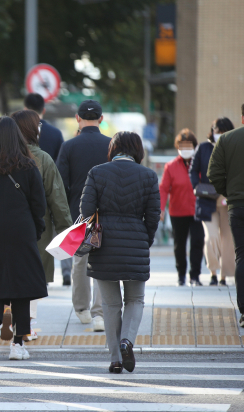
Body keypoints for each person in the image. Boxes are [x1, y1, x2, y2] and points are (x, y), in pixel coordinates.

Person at [80, 131, 160, 374]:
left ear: (113, 149)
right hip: (135, 241)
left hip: (103, 245)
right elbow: (154, 216)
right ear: (137, 150)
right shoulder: (148, 175)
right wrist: (144, 239)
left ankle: (115, 359)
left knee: (110, 303)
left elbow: (85, 210)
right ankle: (127, 341)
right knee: (135, 299)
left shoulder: (97, 172)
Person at [0, 117, 47, 360]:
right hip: (21, 230)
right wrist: (37, 230)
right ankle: (17, 345)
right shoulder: (28, 166)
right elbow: (39, 205)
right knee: (21, 286)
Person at [11, 110, 72, 339]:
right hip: (39, 228)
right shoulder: (42, 158)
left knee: (11, 273)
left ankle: (6, 312)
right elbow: (57, 198)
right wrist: (66, 229)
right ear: (31, 130)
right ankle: (26, 324)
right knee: (34, 276)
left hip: (4, 229)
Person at [56, 100, 109, 332]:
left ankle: (82, 309)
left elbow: (61, 184)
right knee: (102, 262)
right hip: (106, 212)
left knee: (80, 261)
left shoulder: (69, 147)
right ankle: (100, 312)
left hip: (78, 212)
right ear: (101, 119)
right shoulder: (111, 145)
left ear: (77, 119)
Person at [208, 97, 244, 329]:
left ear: (242, 117)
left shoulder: (227, 139)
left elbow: (214, 174)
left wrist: (230, 193)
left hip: (240, 206)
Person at [190, 118, 236, 286]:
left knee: (228, 239)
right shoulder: (203, 148)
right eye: (217, 131)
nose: (220, 134)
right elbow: (193, 171)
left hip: (228, 200)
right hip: (207, 199)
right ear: (212, 131)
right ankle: (213, 272)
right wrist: (197, 186)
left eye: (223, 131)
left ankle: (224, 276)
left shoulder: (234, 148)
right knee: (211, 237)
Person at [159, 129, 204, 286]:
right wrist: (161, 209)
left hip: (197, 210)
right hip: (177, 211)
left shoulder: (200, 164)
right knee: (180, 244)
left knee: (198, 242)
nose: (185, 149)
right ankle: (181, 275)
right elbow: (164, 188)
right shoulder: (171, 166)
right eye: (182, 146)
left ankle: (195, 275)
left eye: (188, 146)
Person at [24, 93, 64, 162]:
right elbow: (61, 161)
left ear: (25, 110)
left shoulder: (17, 131)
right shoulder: (56, 133)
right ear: (43, 110)